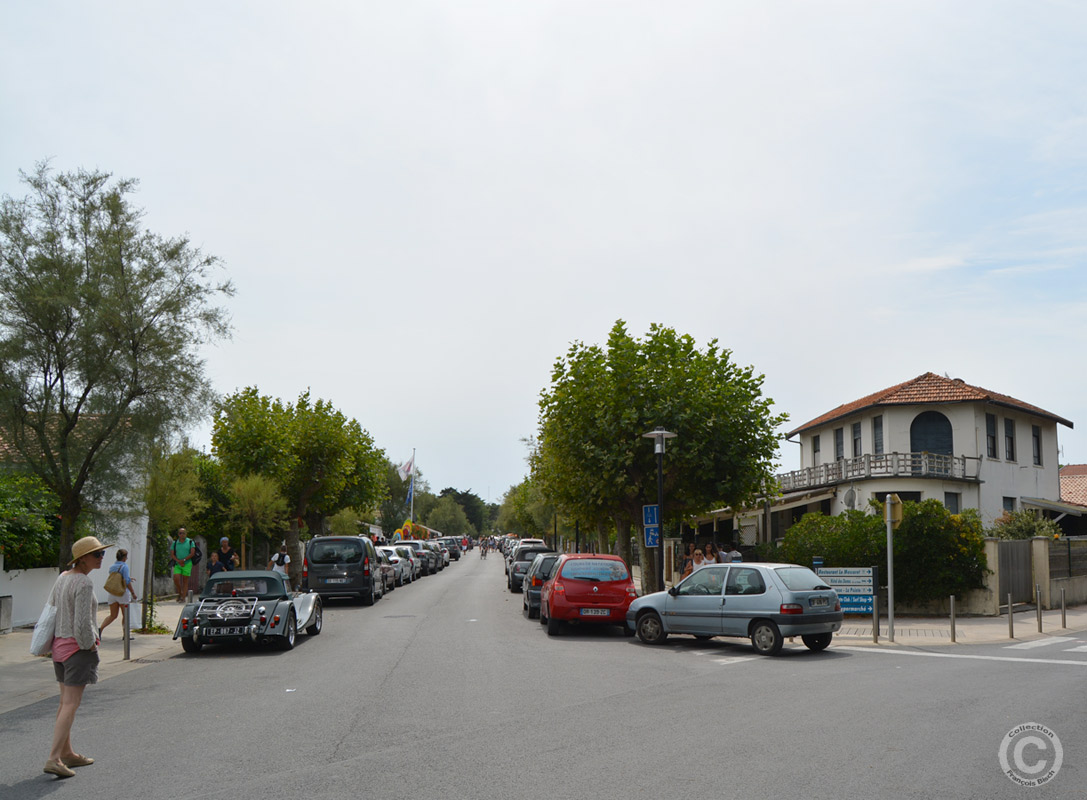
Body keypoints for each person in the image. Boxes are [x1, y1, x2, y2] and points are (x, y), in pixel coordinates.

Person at [44, 536, 110, 778]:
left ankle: (67, 753)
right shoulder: (83, 583)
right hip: (77, 650)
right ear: (82, 558)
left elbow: (51, 608)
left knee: (65, 703)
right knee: (71, 704)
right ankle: (53, 758)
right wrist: (90, 646)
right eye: (96, 554)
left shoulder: (63, 577)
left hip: (59, 648)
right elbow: (82, 624)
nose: (101, 558)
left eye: (102, 553)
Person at [99, 549, 137, 639]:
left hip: (112, 593)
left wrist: (128, 578)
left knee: (113, 615)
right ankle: (125, 635)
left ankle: (100, 629)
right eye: (126, 557)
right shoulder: (124, 566)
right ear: (124, 557)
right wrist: (133, 593)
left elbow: (116, 578)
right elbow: (126, 581)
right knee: (125, 615)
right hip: (122, 594)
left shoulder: (112, 566)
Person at [169, 528, 196, 602]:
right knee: (176, 578)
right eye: (180, 533)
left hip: (187, 563)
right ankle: (180, 592)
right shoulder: (175, 543)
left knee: (185, 580)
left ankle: (183, 597)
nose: (182, 534)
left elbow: (192, 553)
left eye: (183, 533)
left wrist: (184, 560)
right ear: (178, 534)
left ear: (186, 534)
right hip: (178, 563)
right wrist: (178, 561)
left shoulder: (190, 542)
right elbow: (172, 554)